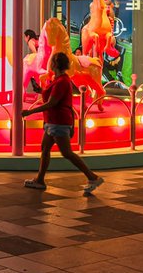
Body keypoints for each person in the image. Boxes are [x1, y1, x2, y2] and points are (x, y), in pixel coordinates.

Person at [22, 51, 104, 195]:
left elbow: (52, 103)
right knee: (45, 149)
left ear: (55, 64)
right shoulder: (58, 80)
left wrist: (30, 112)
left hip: (58, 122)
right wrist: (41, 90)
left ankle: (93, 177)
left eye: (52, 61)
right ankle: (40, 179)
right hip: (52, 121)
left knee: (67, 153)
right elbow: (52, 97)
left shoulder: (62, 81)